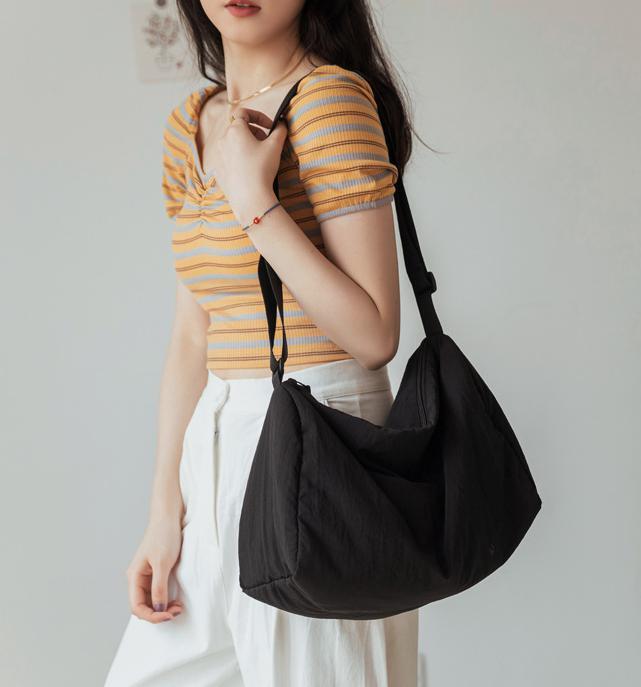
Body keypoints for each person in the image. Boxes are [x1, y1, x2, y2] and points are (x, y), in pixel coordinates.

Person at [105, 0, 420, 684]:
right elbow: (193, 333)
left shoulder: (329, 100)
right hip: (213, 447)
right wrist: (164, 512)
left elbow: (374, 334)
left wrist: (254, 199)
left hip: (322, 442)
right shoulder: (191, 123)